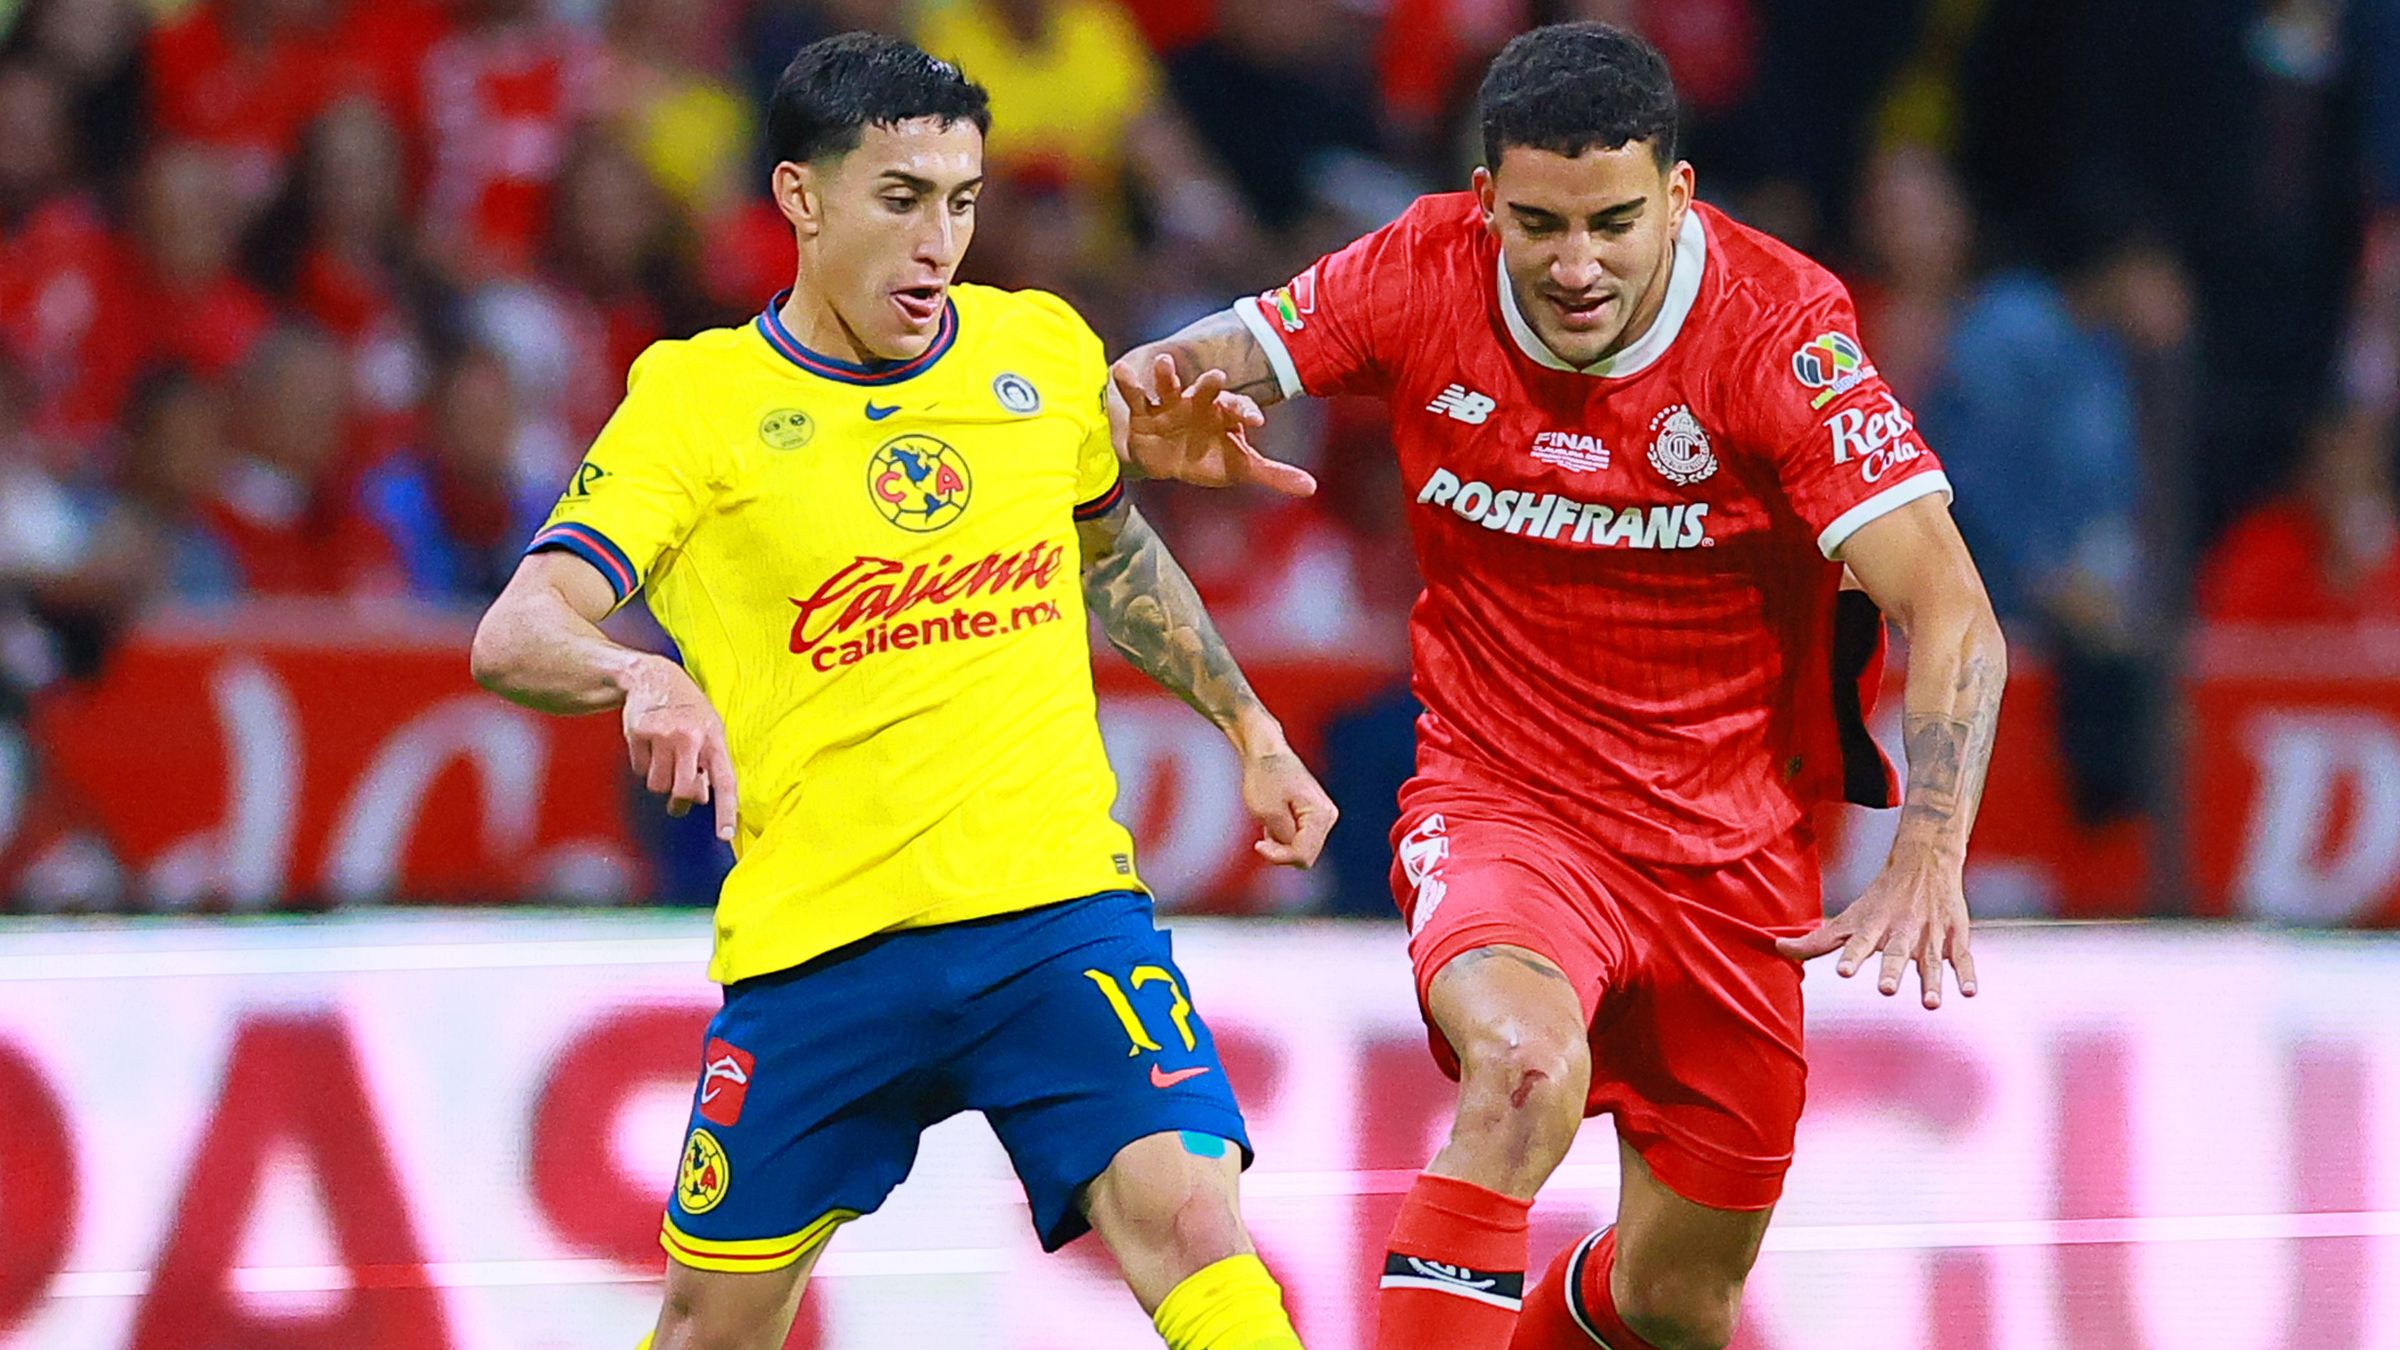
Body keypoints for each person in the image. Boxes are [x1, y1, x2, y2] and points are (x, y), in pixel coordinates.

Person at [1113, 24, 2005, 1350]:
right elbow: (1211, 353)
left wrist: (1930, 849)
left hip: (1730, 860)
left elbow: (1954, 609)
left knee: (1675, 1300)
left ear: (1678, 197)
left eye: (1612, 224)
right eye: (1538, 224)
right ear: (1486, 200)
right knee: (1523, 1068)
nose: (1576, 265)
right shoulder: (1420, 266)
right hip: (1503, 808)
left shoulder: (1777, 332)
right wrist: (1147, 395)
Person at [469, 34, 1333, 1350]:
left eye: (961, 201)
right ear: (802, 198)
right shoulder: (696, 401)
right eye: (901, 198)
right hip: (823, 947)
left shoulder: (1040, 351)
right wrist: (638, 670)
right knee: (713, 1327)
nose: (939, 244)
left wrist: (1250, 724)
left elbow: (1108, 552)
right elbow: (518, 628)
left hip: (1052, 915)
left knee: (1192, 1223)